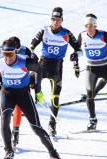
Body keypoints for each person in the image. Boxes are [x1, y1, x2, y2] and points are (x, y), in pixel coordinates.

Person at [0, 39, 64, 159]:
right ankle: (9, 152)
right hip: (7, 94)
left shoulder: (25, 62)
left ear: (15, 52)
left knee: (36, 127)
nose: (8, 58)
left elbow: (38, 70)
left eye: (10, 54)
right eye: (5, 54)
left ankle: (53, 154)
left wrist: (38, 90)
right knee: (5, 120)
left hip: (23, 95)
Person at [29, 7, 82, 136]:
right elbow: (31, 46)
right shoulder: (44, 30)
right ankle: (19, 106)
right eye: (53, 19)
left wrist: (76, 60)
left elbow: (79, 50)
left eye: (58, 19)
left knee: (55, 97)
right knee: (25, 83)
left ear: (62, 20)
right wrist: (32, 54)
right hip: (42, 65)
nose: (55, 22)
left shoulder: (67, 33)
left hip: (57, 68)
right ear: (51, 20)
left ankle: (52, 125)